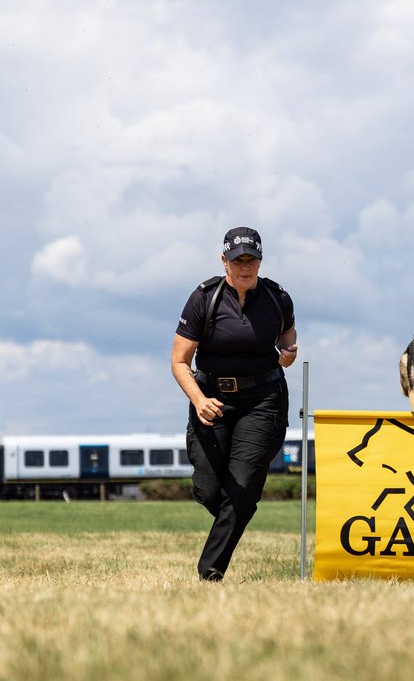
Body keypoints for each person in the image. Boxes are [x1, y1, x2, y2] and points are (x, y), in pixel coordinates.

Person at [171, 226, 299, 582]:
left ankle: (209, 573)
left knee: (241, 489)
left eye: (252, 259)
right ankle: (235, 514)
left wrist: (288, 355)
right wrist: (198, 399)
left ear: (260, 260)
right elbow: (179, 361)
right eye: (238, 259)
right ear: (224, 260)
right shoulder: (204, 298)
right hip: (211, 399)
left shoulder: (277, 298)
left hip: (263, 400)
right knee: (212, 491)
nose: (245, 266)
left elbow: (288, 341)